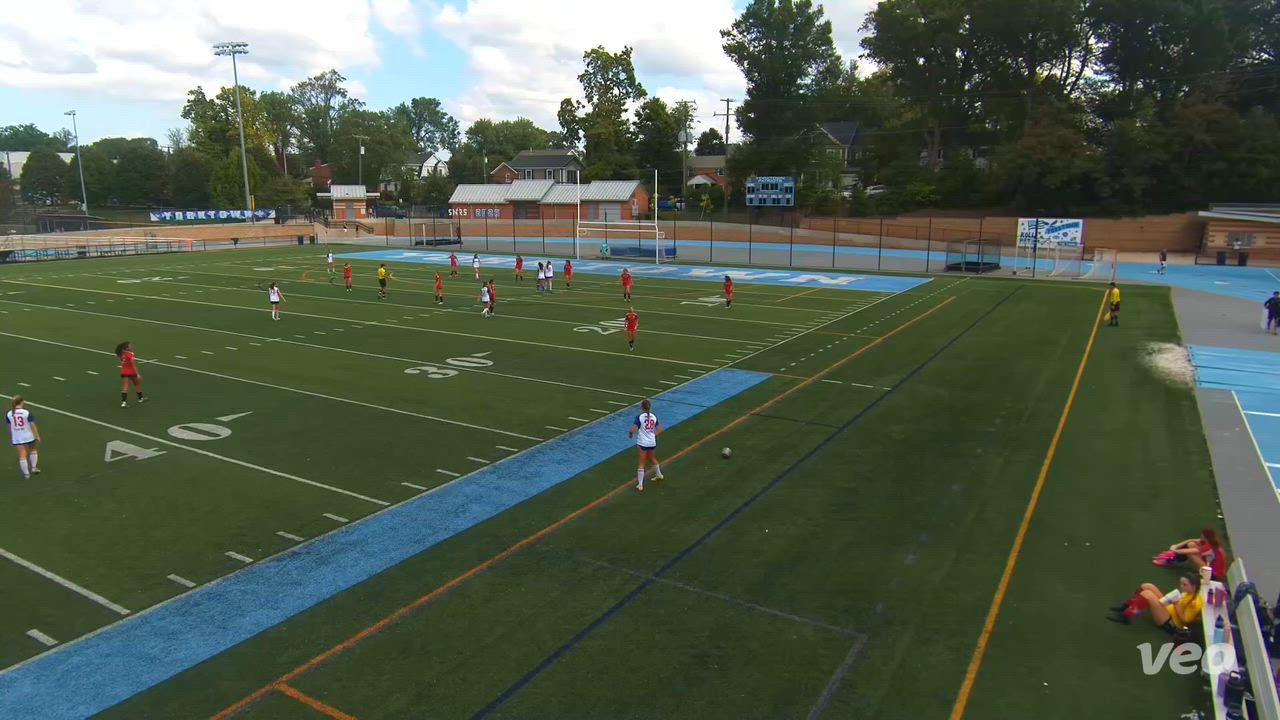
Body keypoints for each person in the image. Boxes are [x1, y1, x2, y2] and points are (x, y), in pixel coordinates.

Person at [1108, 567, 1208, 630]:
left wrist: (1176, 604)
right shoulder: (1188, 592)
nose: (1181, 586)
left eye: (1185, 585)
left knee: (1147, 594)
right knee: (1147, 586)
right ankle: (1126, 607)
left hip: (1170, 622)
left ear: (1194, 586)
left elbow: (1185, 621)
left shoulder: (1195, 602)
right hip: (1167, 609)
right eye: (1181, 583)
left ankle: (1125, 616)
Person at [1153, 528, 1227, 579]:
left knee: (1190, 553)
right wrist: (1176, 546)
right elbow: (1190, 541)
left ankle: (1169, 560)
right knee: (1191, 544)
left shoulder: (1209, 547)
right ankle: (1170, 558)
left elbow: (1189, 551)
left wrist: (1173, 551)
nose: (1201, 537)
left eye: (1202, 536)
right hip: (1211, 567)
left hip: (1213, 576)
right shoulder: (1211, 542)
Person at [628, 399, 664, 491]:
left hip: (642, 443)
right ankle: (659, 474)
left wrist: (630, 434)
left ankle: (640, 484)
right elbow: (660, 430)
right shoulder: (654, 417)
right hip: (652, 442)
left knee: (641, 463)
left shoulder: (640, 417)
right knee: (652, 458)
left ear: (642, 407)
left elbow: (633, 429)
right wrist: (653, 436)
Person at [6, 396, 40, 479]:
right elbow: (32, 425)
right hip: (28, 435)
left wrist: (12, 437)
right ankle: (33, 468)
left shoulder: (9, 414)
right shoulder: (26, 412)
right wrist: (37, 436)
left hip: (17, 437)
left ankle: (26, 474)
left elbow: (9, 427)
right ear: (21, 402)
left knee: (22, 454)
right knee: (33, 450)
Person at [116, 341, 145, 408]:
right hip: (131, 372)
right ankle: (140, 398)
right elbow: (133, 364)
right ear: (127, 348)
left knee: (125, 386)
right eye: (130, 345)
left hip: (123, 372)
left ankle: (123, 402)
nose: (131, 346)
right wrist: (138, 374)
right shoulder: (131, 354)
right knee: (137, 384)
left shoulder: (121, 354)